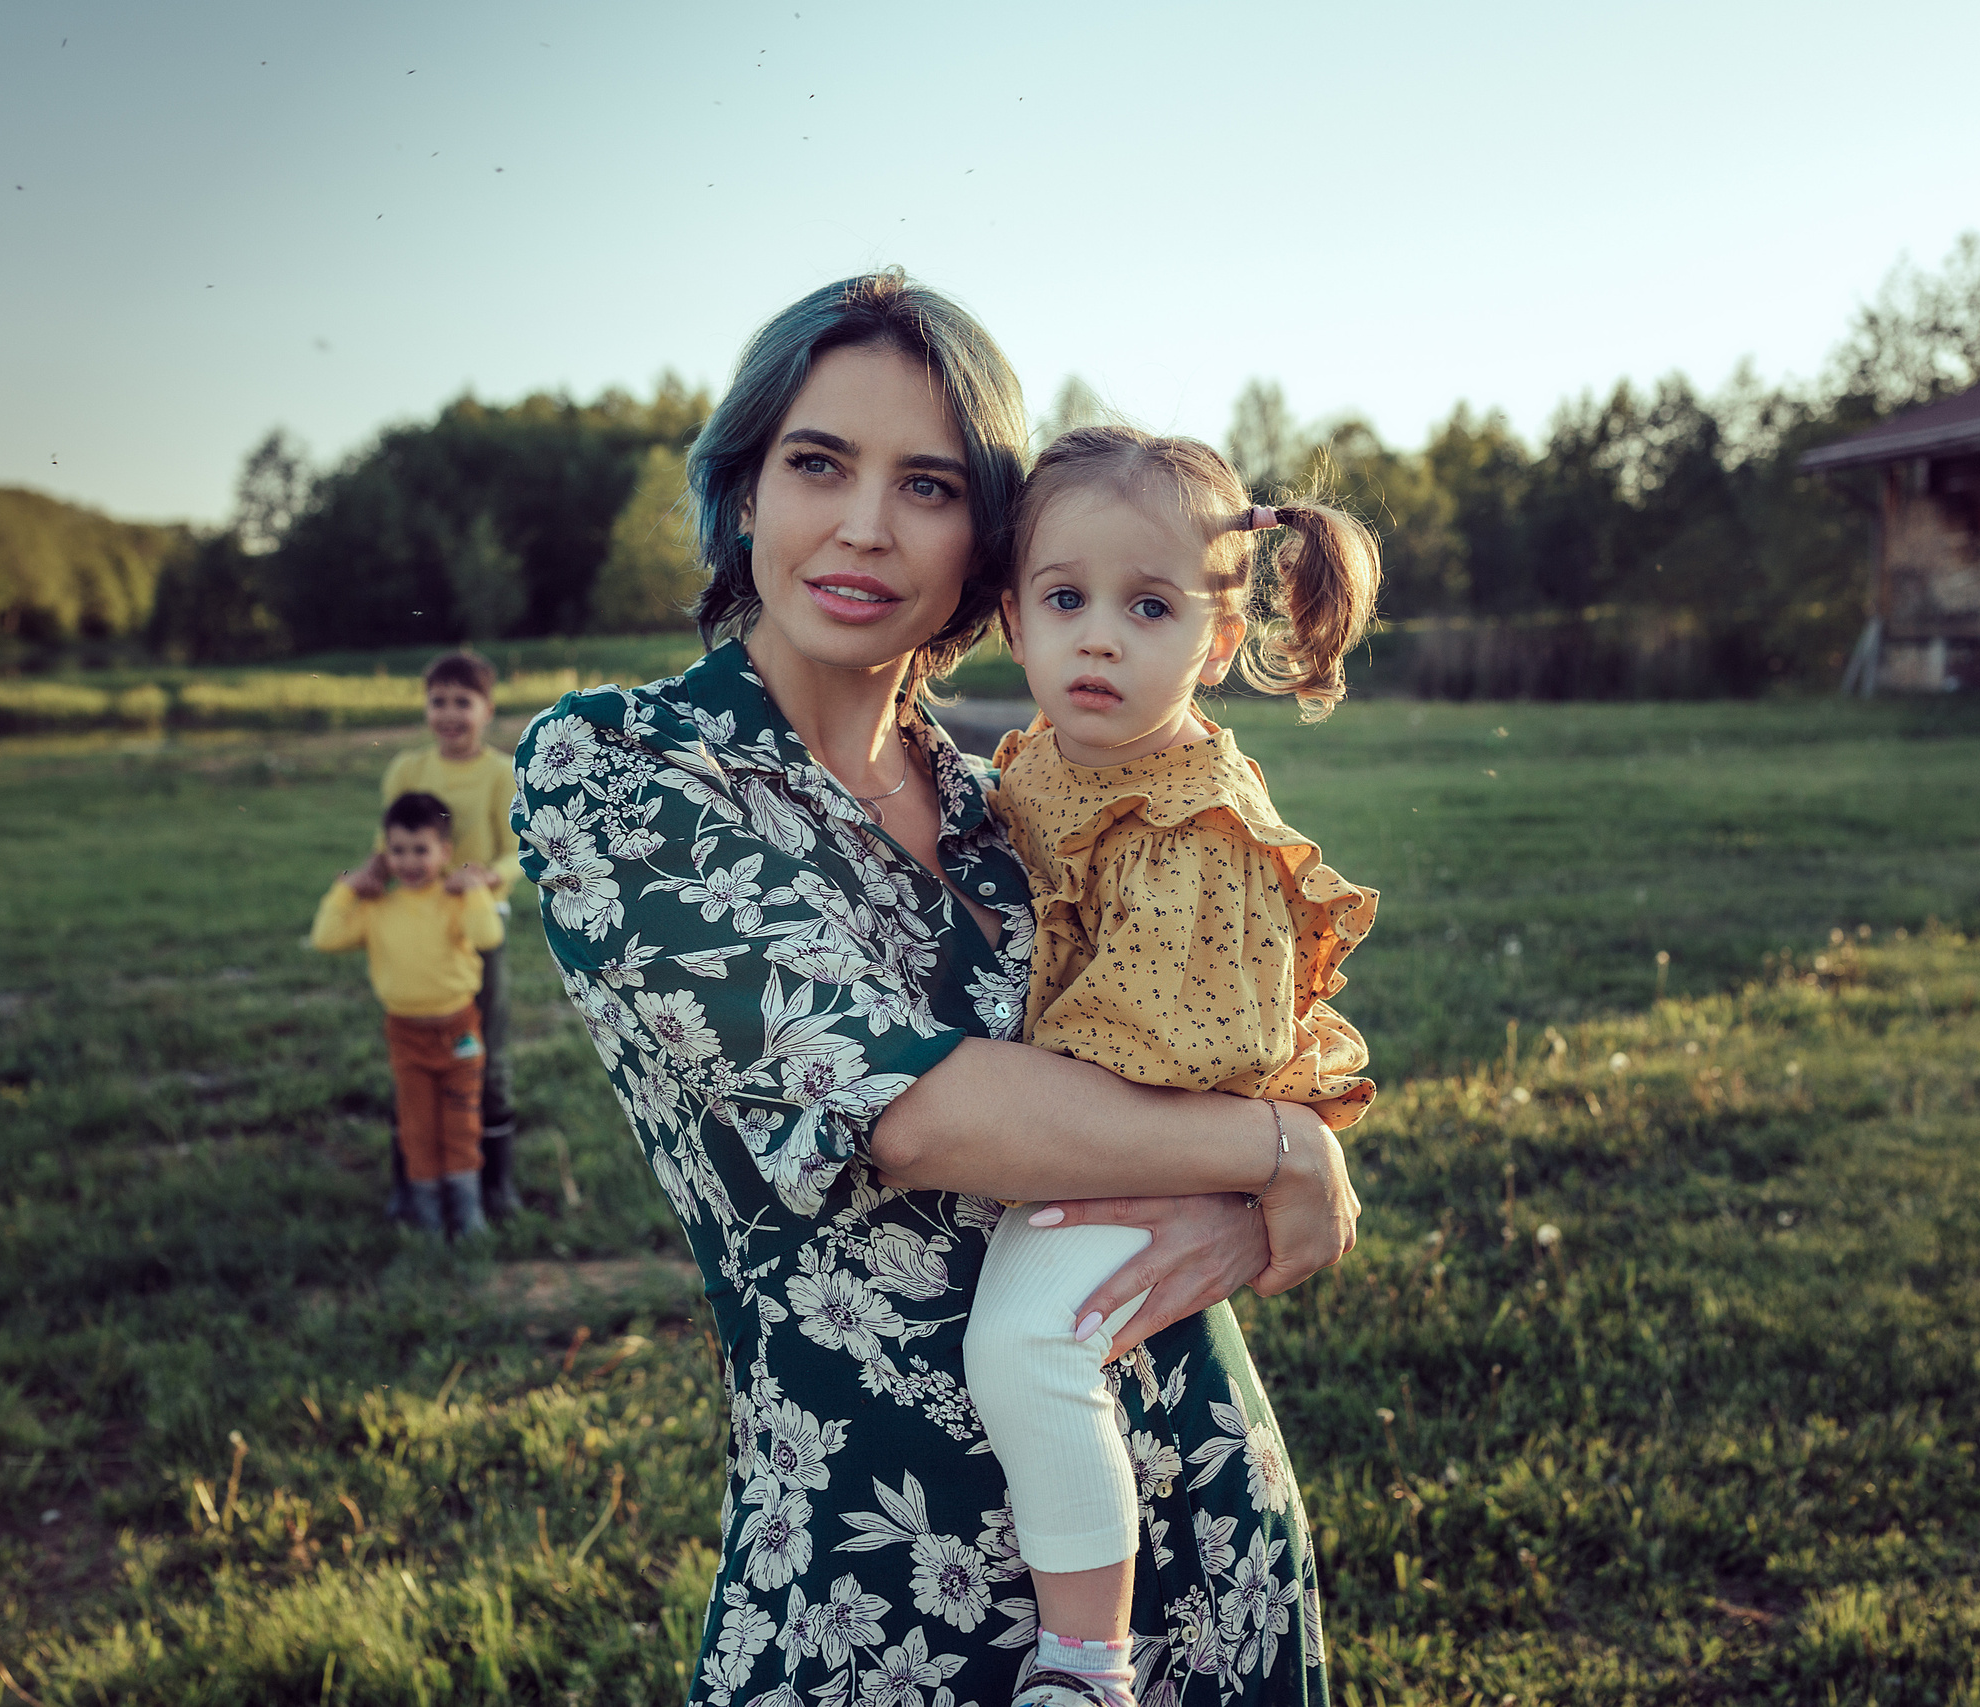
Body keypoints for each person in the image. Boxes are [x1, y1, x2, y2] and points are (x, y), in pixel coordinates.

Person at [510, 271, 1358, 1707]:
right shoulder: (623, 769)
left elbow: (1208, 1013)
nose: (864, 525)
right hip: (884, 1572)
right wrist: (1287, 1155)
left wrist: (1264, 1154)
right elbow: (907, 1107)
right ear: (743, 488)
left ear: (989, 537)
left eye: (929, 483)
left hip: (1193, 1501)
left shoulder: (1014, 796)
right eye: (818, 463)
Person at [967, 426, 1381, 1703]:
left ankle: (1085, 1663)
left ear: (1212, 640)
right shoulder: (1041, 756)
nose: (1099, 638)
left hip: (1156, 1119)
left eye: (1148, 607)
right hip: (1124, 1115)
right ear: (1011, 616)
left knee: (1028, 1338)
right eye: (1065, 599)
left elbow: (1149, 1053)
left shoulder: (1184, 821)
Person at [350, 650, 528, 1218]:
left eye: (462, 702)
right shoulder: (406, 769)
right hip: (417, 928)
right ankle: (411, 1181)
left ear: (487, 710)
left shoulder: (501, 772)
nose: (450, 714)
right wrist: (373, 873)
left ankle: (494, 1183)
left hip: (475, 926)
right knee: (413, 1054)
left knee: (483, 1053)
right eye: (438, 701)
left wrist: (490, 875)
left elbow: (520, 850)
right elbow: (390, 842)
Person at [315, 790, 507, 1238]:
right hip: (406, 1035)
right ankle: (426, 1215)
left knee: (460, 1123)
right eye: (397, 851)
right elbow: (326, 937)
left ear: (444, 852)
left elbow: (488, 935)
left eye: (421, 850)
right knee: (417, 1125)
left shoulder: (456, 900)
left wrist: (476, 889)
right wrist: (347, 887)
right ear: (383, 854)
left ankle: (467, 1212)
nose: (410, 861)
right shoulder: (378, 906)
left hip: (458, 1029)